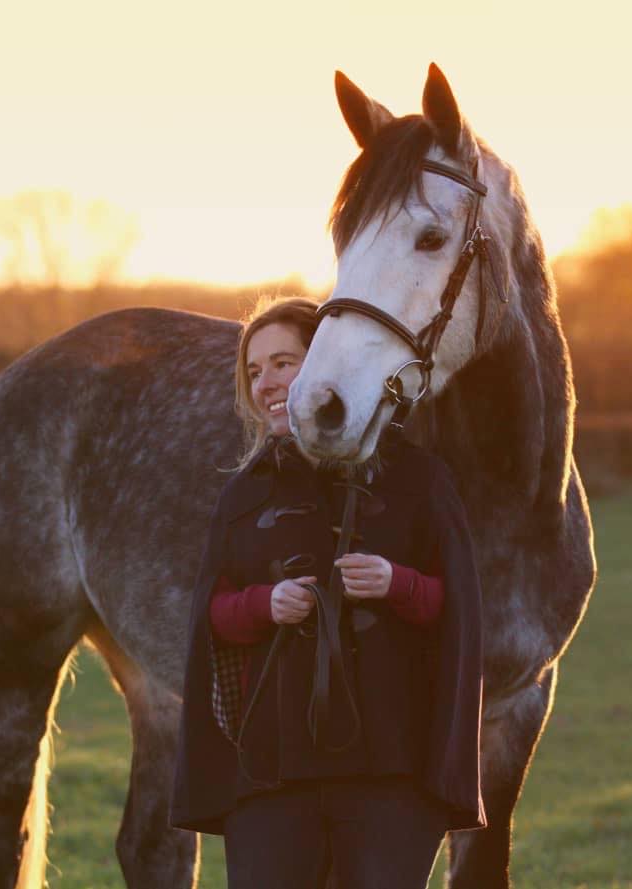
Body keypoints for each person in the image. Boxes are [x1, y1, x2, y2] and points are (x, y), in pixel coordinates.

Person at [170, 295, 486, 889]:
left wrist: (397, 584)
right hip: (271, 769)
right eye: (255, 370)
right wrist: (266, 605)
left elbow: (458, 612)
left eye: (283, 362)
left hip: (393, 765)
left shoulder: (419, 481)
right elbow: (212, 618)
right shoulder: (242, 496)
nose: (267, 382)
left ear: (325, 362)